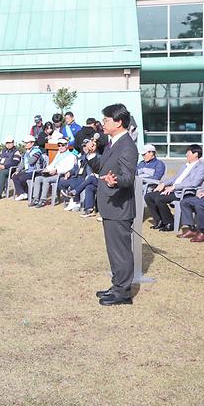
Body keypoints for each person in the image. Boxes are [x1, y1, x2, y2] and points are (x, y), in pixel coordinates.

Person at [90, 104, 139, 306]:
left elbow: (128, 177)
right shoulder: (112, 143)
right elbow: (102, 167)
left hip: (119, 207)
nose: (103, 124)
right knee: (114, 250)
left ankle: (123, 293)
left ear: (118, 122)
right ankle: (117, 285)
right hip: (110, 205)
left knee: (120, 251)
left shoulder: (127, 145)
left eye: (106, 120)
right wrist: (91, 155)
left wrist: (115, 180)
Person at [144, 144, 204, 232]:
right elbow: (175, 178)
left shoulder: (201, 168)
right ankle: (159, 221)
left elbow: (194, 183)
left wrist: (174, 187)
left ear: (196, 154)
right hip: (174, 189)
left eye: (188, 153)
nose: (186, 155)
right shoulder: (185, 166)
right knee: (149, 196)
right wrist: (163, 184)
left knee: (160, 199)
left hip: (185, 192)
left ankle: (170, 223)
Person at [28, 137, 77, 208]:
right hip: (52, 173)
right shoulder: (59, 154)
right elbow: (53, 164)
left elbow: (69, 168)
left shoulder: (71, 156)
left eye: (63, 145)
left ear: (67, 145)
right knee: (38, 178)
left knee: (46, 179)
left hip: (61, 175)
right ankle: (35, 198)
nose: (61, 147)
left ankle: (43, 199)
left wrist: (56, 170)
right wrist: (46, 169)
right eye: (59, 145)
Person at [12, 136, 48, 201]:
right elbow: (22, 163)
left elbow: (31, 161)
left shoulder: (37, 151)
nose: (25, 144)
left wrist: (28, 154)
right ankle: (22, 193)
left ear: (32, 143)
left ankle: (28, 193)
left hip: (35, 171)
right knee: (15, 176)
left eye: (26, 143)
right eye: (24, 143)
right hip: (27, 171)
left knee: (22, 178)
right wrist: (18, 170)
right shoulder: (26, 152)